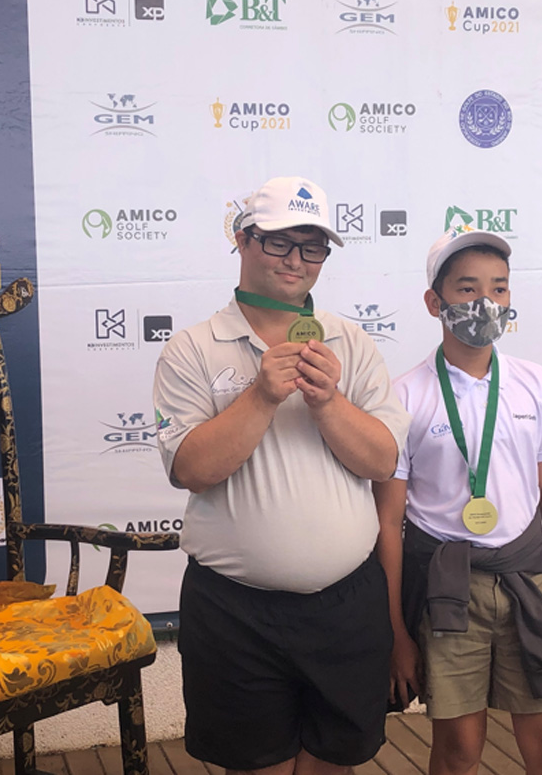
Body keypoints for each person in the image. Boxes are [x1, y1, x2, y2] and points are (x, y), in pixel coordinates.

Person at [153, 176, 411, 775]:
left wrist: (329, 403)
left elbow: (382, 461)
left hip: (348, 605)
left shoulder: (352, 342)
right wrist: (262, 395)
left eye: (312, 247)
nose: (296, 260)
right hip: (234, 614)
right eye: (279, 242)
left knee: (335, 761)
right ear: (243, 240)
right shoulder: (192, 348)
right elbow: (190, 470)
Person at [374, 227, 542, 775]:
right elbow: (389, 520)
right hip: (448, 590)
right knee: (458, 750)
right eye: (467, 289)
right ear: (435, 302)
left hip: (530, 579)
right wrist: (396, 630)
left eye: (499, 288)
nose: (486, 302)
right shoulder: (404, 396)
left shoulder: (534, 383)